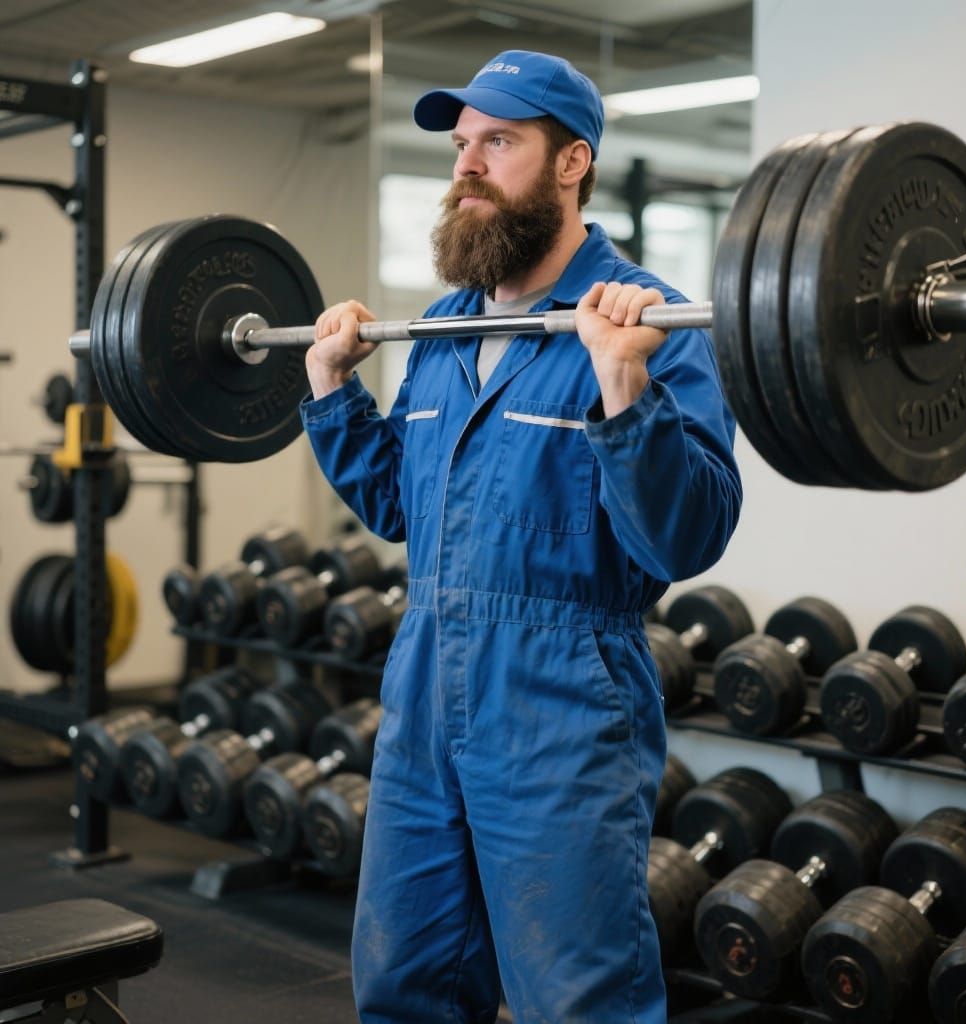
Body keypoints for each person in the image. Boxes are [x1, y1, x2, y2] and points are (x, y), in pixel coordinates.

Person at [301, 48, 741, 1024]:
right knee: (405, 981)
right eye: (462, 144)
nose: (466, 164)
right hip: (424, 684)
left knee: (575, 996)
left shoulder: (648, 319)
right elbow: (404, 512)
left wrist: (622, 384)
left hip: (562, 696)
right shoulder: (445, 329)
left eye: (497, 140)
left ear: (571, 161)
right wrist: (332, 389)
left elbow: (687, 537)